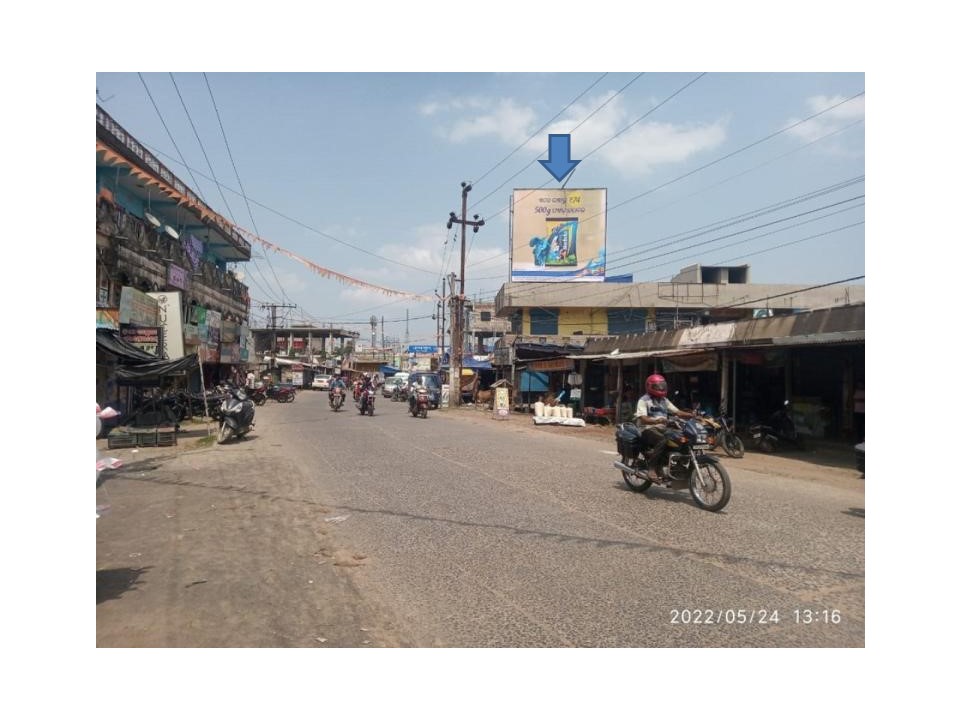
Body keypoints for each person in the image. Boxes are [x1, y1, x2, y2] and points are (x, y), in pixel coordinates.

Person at [634, 373, 695, 481]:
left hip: (663, 428)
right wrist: (657, 420)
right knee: (663, 440)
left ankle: (679, 466)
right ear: (649, 386)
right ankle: (652, 468)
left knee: (683, 439)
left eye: (662, 386)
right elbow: (643, 418)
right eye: (657, 386)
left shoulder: (664, 400)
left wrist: (691, 415)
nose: (661, 388)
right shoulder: (643, 400)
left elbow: (677, 412)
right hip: (647, 429)